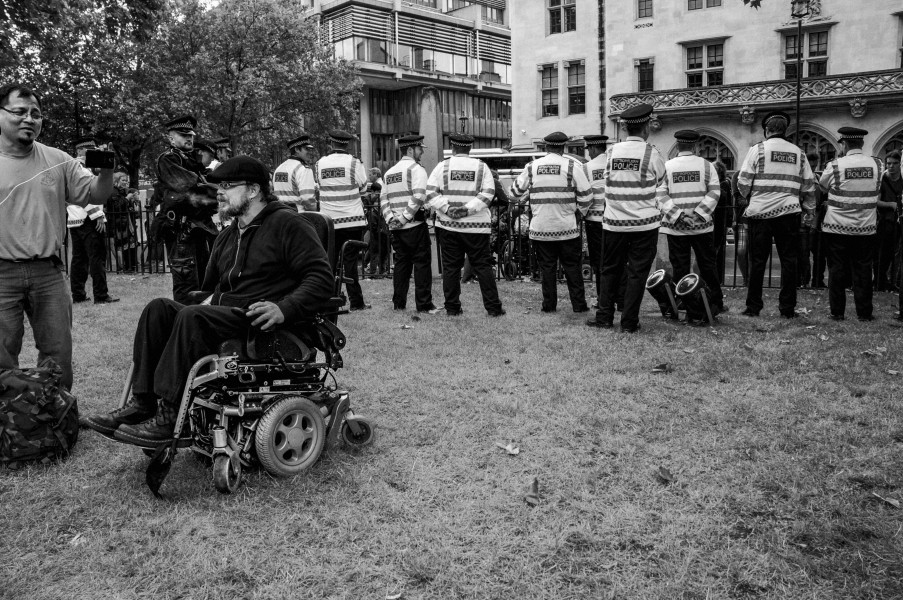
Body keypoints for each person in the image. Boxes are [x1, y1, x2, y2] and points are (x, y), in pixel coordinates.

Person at [82, 156, 335, 446]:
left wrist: (284, 308)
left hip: (263, 320)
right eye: (218, 185)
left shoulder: (288, 224)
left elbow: (320, 278)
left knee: (192, 317)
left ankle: (171, 416)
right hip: (230, 313)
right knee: (159, 309)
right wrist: (200, 300)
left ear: (253, 190)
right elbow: (212, 289)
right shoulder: (227, 235)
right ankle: (144, 403)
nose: (219, 192)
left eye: (227, 185)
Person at [0, 83, 114, 391]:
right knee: (2, 353)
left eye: (35, 114)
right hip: (2, 274)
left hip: (48, 272)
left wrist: (106, 171)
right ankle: (9, 423)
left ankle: (56, 416)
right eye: (19, 112)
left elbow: (96, 195)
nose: (29, 119)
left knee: (57, 352)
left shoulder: (59, 159)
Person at [586, 103, 666, 333]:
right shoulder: (652, 154)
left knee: (609, 269)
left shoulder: (611, 153)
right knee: (637, 273)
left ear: (625, 129)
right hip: (644, 224)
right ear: (646, 128)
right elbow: (660, 182)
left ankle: (604, 316)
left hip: (613, 223)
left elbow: (607, 180)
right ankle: (629, 321)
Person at [736, 110, 816, 318]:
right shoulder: (798, 153)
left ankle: (753, 307)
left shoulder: (758, 150)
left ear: (767, 130)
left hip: (761, 215)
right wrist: (809, 211)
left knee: (758, 262)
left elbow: (743, 181)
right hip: (788, 214)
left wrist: (749, 197)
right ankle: (787, 308)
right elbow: (809, 186)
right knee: (789, 261)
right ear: (785, 130)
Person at [510, 131, 592, 313]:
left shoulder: (532, 167)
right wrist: (579, 214)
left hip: (541, 229)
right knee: (573, 268)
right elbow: (587, 196)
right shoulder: (572, 166)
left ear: (546, 147)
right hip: (567, 228)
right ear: (563, 147)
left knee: (546, 269)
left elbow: (513, 193)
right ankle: (579, 305)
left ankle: (549, 306)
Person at [425, 133, 504, 317]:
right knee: (483, 266)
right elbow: (488, 194)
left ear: (452, 147)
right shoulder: (482, 167)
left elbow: (430, 192)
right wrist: (467, 210)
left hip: (448, 226)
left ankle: (452, 308)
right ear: (469, 148)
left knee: (451, 267)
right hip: (476, 227)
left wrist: (448, 208)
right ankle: (493, 308)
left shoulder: (442, 166)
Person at [149, 115, 219, 305]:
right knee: (187, 287)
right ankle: (183, 328)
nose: (189, 138)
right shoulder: (168, 159)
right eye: (183, 135)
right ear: (171, 138)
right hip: (180, 231)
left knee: (203, 283)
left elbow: (202, 190)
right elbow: (191, 188)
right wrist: (217, 194)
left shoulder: (190, 161)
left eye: (190, 135)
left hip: (198, 229)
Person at [658, 130, 725, 324]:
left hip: (675, 227)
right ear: (695, 146)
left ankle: (684, 303)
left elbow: (661, 194)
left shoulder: (667, 166)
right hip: (702, 227)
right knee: (708, 265)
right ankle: (715, 302)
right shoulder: (706, 166)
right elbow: (715, 191)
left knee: (680, 267)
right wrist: (698, 213)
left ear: (678, 146)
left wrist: (678, 215)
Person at [818, 127, 881, 321]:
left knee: (837, 269)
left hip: (837, 226)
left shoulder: (835, 165)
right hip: (866, 226)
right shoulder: (877, 164)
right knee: (863, 269)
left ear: (844, 144)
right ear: (861, 144)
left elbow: (822, 186)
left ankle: (837, 312)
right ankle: (864, 313)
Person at [314, 129, 370, 310]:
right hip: (352, 220)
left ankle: (330, 298)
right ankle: (356, 301)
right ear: (348, 144)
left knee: (329, 261)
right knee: (350, 263)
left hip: (328, 221)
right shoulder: (354, 163)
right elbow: (363, 188)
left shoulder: (320, 163)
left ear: (331, 143)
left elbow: (320, 186)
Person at [381, 134, 436, 312]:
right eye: (420, 149)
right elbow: (419, 195)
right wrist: (405, 218)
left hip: (396, 229)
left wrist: (391, 219)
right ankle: (424, 304)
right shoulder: (416, 169)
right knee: (421, 265)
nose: (421, 152)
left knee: (401, 265)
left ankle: (399, 303)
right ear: (411, 150)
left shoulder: (389, 173)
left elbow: (383, 199)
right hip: (414, 226)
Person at [66, 135, 118, 305]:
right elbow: (85, 195)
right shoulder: (80, 168)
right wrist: (98, 215)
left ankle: (78, 295)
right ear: (80, 150)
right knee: (96, 257)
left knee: (79, 259)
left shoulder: (73, 167)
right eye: (89, 149)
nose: (93, 152)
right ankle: (101, 294)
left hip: (75, 220)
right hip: (88, 219)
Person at [875, 150, 901, 292]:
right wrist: (891, 205)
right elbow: (876, 201)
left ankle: (894, 281)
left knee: (896, 254)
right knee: (882, 254)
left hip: (899, 222)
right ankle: (880, 282)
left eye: (895, 163)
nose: (891, 166)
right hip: (885, 222)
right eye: (889, 163)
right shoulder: (882, 179)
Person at [106, 171, 140, 273]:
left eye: (126, 180)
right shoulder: (112, 192)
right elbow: (115, 207)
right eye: (123, 180)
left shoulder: (123, 191)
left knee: (130, 245)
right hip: (117, 225)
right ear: (116, 180)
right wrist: (126, 199)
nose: (126, 182)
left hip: (126, 223)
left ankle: (130, 266)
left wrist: (134, 199)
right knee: (121, 246)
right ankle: (123, 267)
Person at [273, 134, 317, 212]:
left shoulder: (279, 169)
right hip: (298, 217)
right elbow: (308, 200)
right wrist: (315, 210)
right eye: (306, 149)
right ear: (297, 149)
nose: (310, 152)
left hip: (279, 215)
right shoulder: (303, 169)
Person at [712, 160, 731, 284]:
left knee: (717, 250)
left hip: (719, 220)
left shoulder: (724, 184)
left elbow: (726, 202)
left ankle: (718, 278)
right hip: (716, 219)